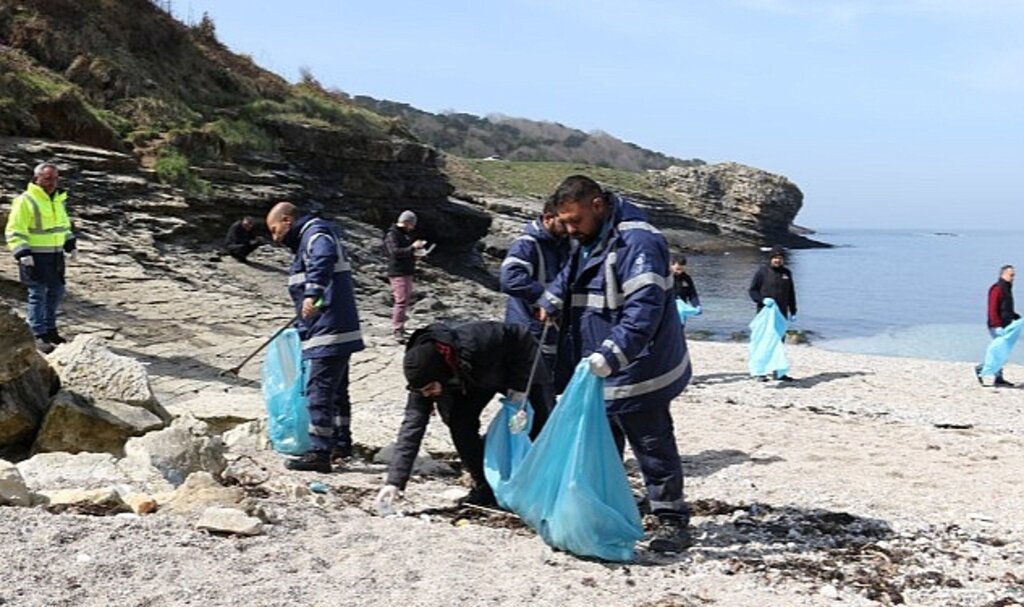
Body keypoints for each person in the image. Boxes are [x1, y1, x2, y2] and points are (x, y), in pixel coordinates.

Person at [536, 175, 694, 553]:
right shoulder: (589, 237)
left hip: (641, 364)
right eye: (565, 223)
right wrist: (552, 298)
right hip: (601, 359)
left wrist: (611, 355)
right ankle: (610, 505)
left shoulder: (638, 241)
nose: (570, 230)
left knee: (650, 440)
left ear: (597, 205)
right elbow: (572, 272)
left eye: (575, 221)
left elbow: (644, 310)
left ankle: (672, 519)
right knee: (604, 439)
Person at [375, 321, 554, 510]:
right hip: (470, 381)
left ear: (441, 372)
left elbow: (521, 336)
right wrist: (394, 481)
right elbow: (412, 427)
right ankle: (484, 485)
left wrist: (519, 388)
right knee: (460, 424)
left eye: (429, 388)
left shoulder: (477, 342)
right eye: (422, 391)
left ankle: (547, 481)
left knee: (542, 421)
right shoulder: (423, 377)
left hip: (516, 363)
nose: (426, 394)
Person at [266, 201, 365, 471]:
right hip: (336, 329)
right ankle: (340, 444)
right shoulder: (313, 236)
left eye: (275, 230)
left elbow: (323, 257)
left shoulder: (315, 234)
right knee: (337, 391)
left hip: (328, 330)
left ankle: (320, 453)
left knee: (319, 390)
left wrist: (312, 293)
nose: (275, 239)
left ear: (288, 220)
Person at [500, 198, 573, 395]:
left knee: (549, 391)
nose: (571, 228)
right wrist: (548, 299)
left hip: (553, 332)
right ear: (549, 218)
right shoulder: (527, 244)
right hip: (528, 330)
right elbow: (510, 278)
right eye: (565, 223)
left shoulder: (564, 245)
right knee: (529, 392)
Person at [4, 162, 76, 354]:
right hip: (34, 256)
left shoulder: (57, 199)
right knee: (37, 294)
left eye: (55, 178)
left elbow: (63, 225)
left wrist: (70, 242)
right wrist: (22, 252)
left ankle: (50, 329)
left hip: (55, 255)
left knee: (56, 292)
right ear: (36, 179)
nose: (52, 182)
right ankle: (37, 333)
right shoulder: (25, 200)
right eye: (47, 178)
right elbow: (14, 230)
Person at [747, 246, 797, 381]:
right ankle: (759, 372)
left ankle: (779, 372)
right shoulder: (762, 272)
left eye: (780, 258)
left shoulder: (787, 273)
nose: (777, 261)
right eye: (775, 258)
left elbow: (791, 293)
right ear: (770, 259)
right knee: (764, 342)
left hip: (781, 314)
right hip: (765, 314)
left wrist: (793, 310)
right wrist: (762, 300)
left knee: (779, 343)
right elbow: (752, 291)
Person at [384, 210, 426, 342]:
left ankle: (400, 327)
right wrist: (413, 248)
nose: (413, 227)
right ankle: (397, 328)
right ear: (407, 222)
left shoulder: (404, 235)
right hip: (398, 272)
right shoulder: (392, 234)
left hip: (406, 271)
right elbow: (395, 252)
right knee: (401, 301)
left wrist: (415, 256)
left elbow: (404, 253)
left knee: (405, 300)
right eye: (412, 224)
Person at [976, 264, 1019, 387]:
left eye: (1014, 275)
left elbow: (1005, 308)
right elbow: (992, 309)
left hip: (1006, 325)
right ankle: (981, 369)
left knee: (1002, 352)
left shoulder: (1007, 288)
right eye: (1011, 275)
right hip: (997, 326)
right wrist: (996, 326)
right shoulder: (997, 289)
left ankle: (998, 378)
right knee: (1001, 352)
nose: (1013, 277)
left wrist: (1016, 317)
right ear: (1003, 274)